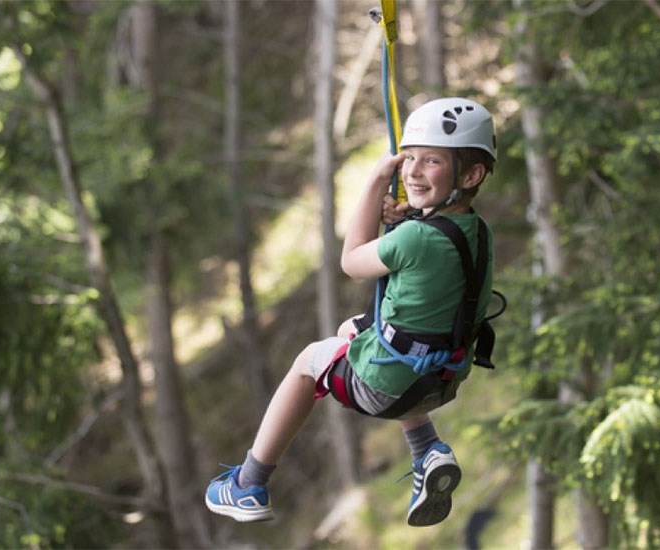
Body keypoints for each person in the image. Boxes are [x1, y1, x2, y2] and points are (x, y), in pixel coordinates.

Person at [205, 97, 498, 527]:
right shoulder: (477, 231)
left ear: (471, 174)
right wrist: (405, 218)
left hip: (390, 387)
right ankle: (426, 449)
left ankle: (250, 482)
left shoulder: (415, 238)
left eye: (431, 161)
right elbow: (429, 255)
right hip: (444, 377)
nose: (413, 170)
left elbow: (353, 261)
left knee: (308, 362)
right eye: (409, 158)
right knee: (350, 330)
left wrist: (376, 184)